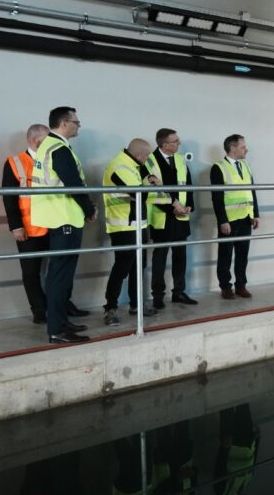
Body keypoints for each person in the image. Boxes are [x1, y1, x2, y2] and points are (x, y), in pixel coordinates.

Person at [31, 107, 96, 344]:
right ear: (64, 123)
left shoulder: (48, 146)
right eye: (76, 122)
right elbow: (74, 184)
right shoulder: (58, 148)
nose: (79, 126)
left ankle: (60, 321)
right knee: (60, 276)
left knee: (59, 275)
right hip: (64, 217)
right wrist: (89, 209)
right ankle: (57, 329)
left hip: (58, 217)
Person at [102, 139, 160, 325]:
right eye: (147, 155)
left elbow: (145, 176)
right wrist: (151, 185)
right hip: (123, 226)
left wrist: (149, 178)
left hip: (138, 225)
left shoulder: (133, 164)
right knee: (122, 268)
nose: (148, 158)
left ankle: (136, 305)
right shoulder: (119, 167)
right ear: (137, 155)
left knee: (138, 267)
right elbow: (138, 194)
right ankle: (110, 308)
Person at [1, 124, 50, 325]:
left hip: (52, 225)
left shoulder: (51, 160)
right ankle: (39, 310)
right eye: (46, 139)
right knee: (31, 272)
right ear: (35, 140)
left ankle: (63, 305)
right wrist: (16, 226)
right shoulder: (15, 163)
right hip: (28, 228)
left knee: (58, 269)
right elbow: (9, 197)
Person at [147, 128, 197, 309]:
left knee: (180, 256)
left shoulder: (180, 159)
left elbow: (188, 185)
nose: (179, 143)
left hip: (182, 215)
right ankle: (157, 295)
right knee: (160, 258)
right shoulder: (149, 161)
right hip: (162, 217)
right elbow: (151, 192)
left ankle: (179, 292)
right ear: (164, 144)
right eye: (175, 141)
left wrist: (189, 205)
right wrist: (172, 209)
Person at [211, 134, 260, 300]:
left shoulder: (245, 165)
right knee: (225, 254)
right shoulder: (218, 167)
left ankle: (241, 285)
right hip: (229, 219)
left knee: (242, 254)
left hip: (246, 216)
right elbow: (217, 198)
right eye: (243, 147)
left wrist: (256, 214)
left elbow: (252, 191)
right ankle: (225, 287)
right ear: (232, 148)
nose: (246, 149)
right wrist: (222, 221)